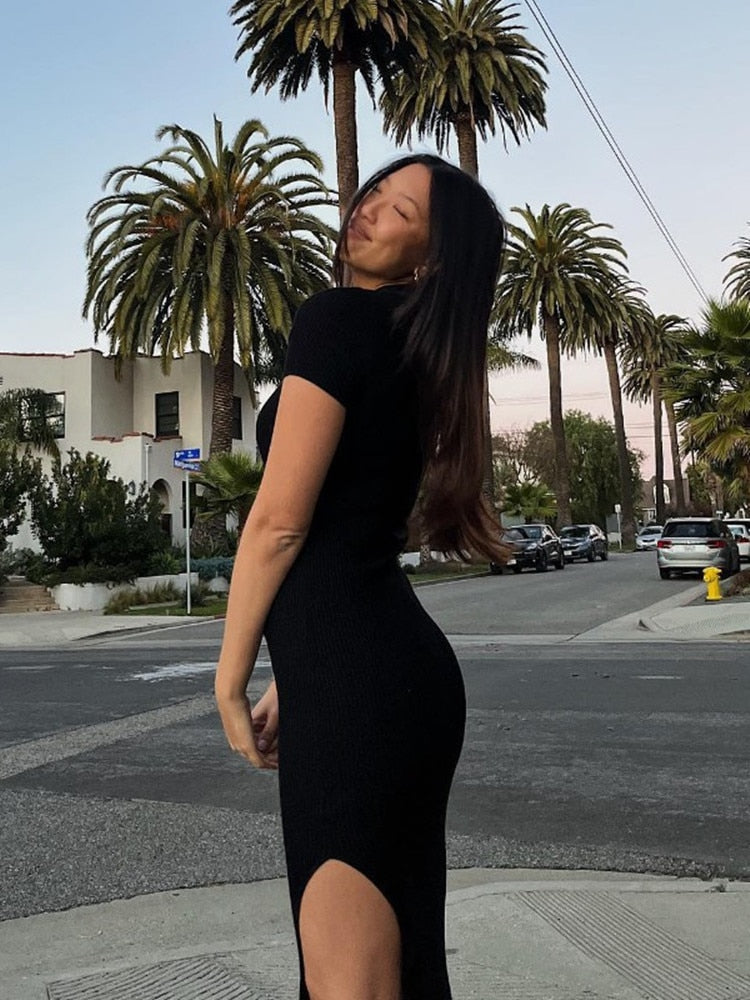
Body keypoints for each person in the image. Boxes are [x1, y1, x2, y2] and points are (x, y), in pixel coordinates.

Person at [215, 153, 508, 1000]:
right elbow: (356, 527)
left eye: (400, 211)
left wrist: (231, 680)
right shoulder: (416, 355)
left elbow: (279, 524)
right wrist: (300, 672)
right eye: (376, 190)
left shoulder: (338, 320)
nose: (369, 207)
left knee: (351, 984)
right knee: (400, 970)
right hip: (380, 676)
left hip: (362, 689)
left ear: (430, 262)